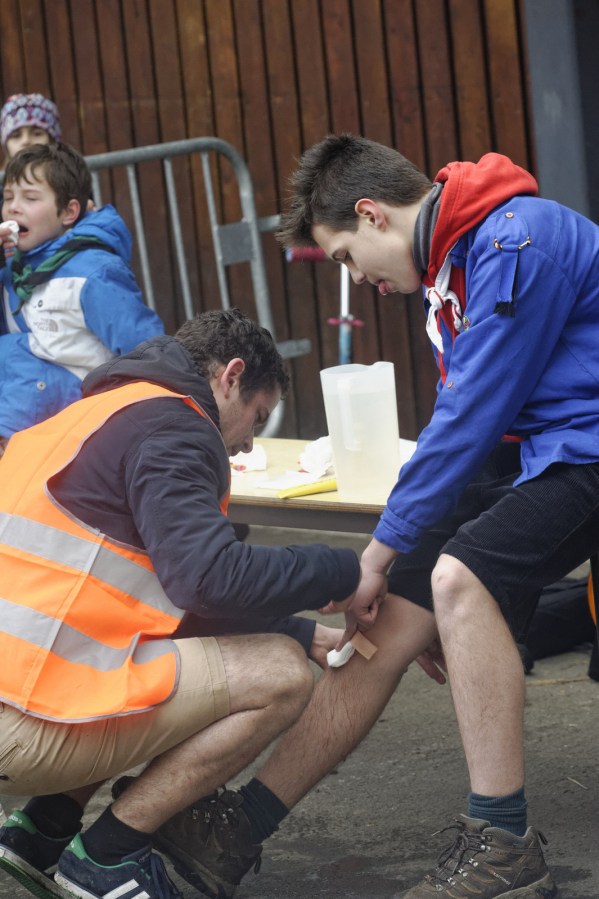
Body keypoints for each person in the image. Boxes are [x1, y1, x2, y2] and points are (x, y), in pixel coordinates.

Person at [121, 133, 599, 899]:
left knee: (458, 578)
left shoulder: (517, 240)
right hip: (536, 448)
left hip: (585, 444)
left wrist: (382, 550)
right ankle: (243, 826)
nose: (357, 280)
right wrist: (396, 574)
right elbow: (462, 420)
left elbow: (469, 416)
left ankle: (503, 846)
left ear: (372, 214)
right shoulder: (452, 264)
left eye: (345, 256)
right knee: (382, 618)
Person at [0, 307, 360, 899]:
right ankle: (108, 855)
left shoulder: (98, 412)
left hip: (22, 694)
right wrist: (340, 572)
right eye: (257, 416)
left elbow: (164, 596)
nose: (248, 443)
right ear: (231, 377)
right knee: (280, 675)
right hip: (25, 727)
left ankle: (43, 829)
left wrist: (297, 629)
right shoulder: (176, 427)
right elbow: (207, 580)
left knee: (162, 652)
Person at [0, 141, 164, 455]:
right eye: (8, 197)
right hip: (21, 428)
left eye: (30, 198)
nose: (13, 208)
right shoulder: (10, 269)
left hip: (78, 432)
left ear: (69, 212)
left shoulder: (94, 272)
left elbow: (145, 348)